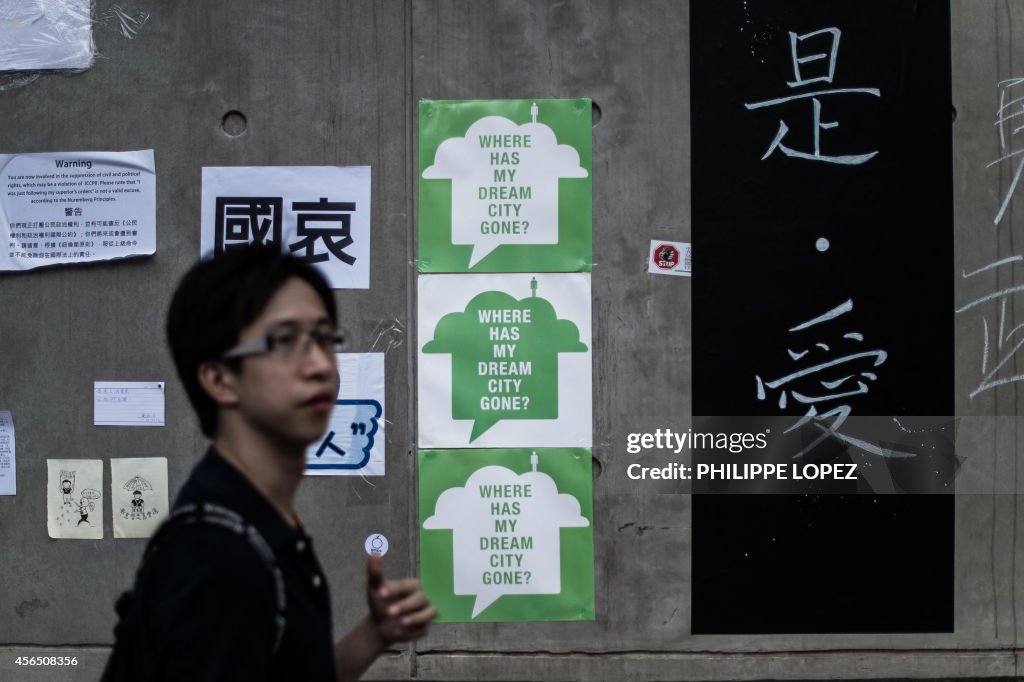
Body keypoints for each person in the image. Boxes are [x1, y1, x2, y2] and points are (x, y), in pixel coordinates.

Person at [104, 244, 436, 681]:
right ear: (220, 379)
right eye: (284, 342)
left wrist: (374, 634)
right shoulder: (218, 559)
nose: (321, 365)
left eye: (323, 338)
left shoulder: (255, 523)